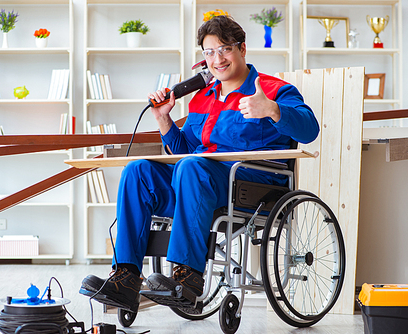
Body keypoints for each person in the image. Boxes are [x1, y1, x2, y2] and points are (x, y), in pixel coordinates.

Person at [80, 15, 319, 312]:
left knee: (191, 168)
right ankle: (126, 278)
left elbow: (310, 130)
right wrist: (164, 119)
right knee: (138, 170)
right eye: (209, 52)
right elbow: (187, 150)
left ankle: (188, 277)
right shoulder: (202, 99)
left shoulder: (273, 90)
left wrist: (271, 109)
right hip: (199, 181)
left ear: (242, 49)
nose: (217, 59)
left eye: (224, 49)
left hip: (249, 184)